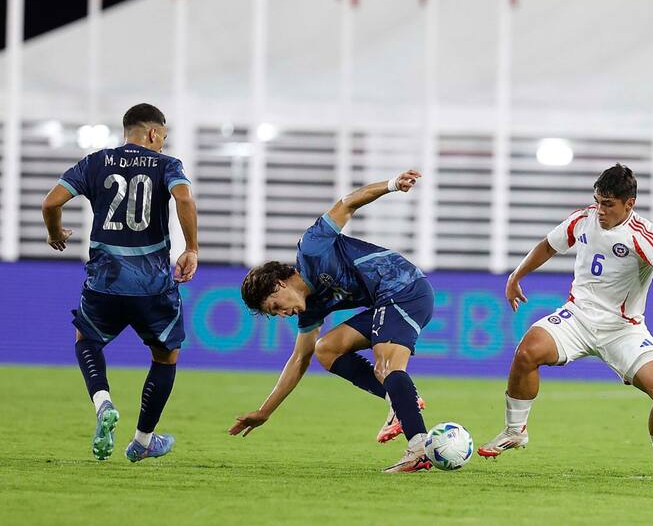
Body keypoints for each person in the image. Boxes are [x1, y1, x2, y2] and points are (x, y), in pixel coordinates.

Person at [478, 163, 653, 477]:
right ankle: (515, 430)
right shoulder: (584, 219)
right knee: (526, 352)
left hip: (623, 330)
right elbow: (548, 245)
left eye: (609, 204)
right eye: (598, 200)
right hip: (578, 317)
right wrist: (516, 276)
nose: (600, 209)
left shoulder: (642, 234)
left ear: (630, 203)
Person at [229, 170, 434, 473]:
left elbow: (347, 203)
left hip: (403, 288)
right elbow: (300, 359)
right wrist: (264, 411)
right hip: (385, 302)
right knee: (327, 349)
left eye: (275, 307)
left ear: (279, 286)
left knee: (386, 366)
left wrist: (392, 185)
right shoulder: (310, 308)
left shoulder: (312, 248)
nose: (282, 314)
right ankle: (400, 399)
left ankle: (419, 446)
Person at [41, 103, 198, 462]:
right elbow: (184, 197)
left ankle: (103, 403)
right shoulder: (167, 164)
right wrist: (191, 248)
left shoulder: (95, 162)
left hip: (104, 282)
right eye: (163, 137)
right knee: (166, 355)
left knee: (87, 340)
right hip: (153, 286)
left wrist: (54, 233)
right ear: (155, 134)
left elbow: (50, 203)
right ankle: (143, 441)